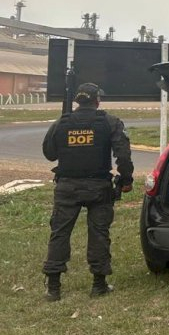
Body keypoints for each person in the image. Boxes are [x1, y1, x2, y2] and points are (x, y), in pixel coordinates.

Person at [40, 83, 134, 301]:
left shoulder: (61, 123)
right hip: (98, 187)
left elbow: (49, 154)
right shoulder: (110, 122)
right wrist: (126, 180)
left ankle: (53, 288)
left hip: (67, 187)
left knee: (60, 233)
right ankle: (99, 284)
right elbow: (123, 155)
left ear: (77, 101)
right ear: (97, 101)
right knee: (99, 233)